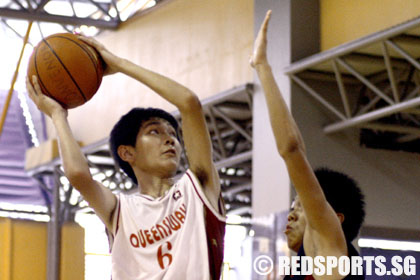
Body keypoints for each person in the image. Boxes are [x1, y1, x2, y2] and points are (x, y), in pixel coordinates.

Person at [26, 36, 226, 280]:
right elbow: (78, 175)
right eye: (155, 131)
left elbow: (189, 103)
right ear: (127, 152)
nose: (170, 139)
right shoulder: (121, 210)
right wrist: (58, 115)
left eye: (173, 135)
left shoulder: (198, 188)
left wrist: (120, 65)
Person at [250, 11, 365, 279]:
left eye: (301, 208)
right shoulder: (297, 269)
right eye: (292, 208)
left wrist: (263, 67)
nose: (290, 216)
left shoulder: (332, 256)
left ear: (334, 220)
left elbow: (292, 149)